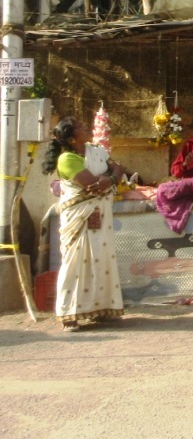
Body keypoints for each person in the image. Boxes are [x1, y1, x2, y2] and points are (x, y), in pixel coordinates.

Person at [42, 117, 130, 332]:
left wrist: (109, 179)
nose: (85, 127)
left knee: (101, 257)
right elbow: (90, 184)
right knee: (76, 262)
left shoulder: (96, 151)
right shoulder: (67, 159)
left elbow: (118, 168)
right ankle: (68, 313)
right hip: (79, 216)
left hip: (100, 213)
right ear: (72, 139)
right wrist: (110, 178)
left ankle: (102, 308)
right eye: (81, 127)